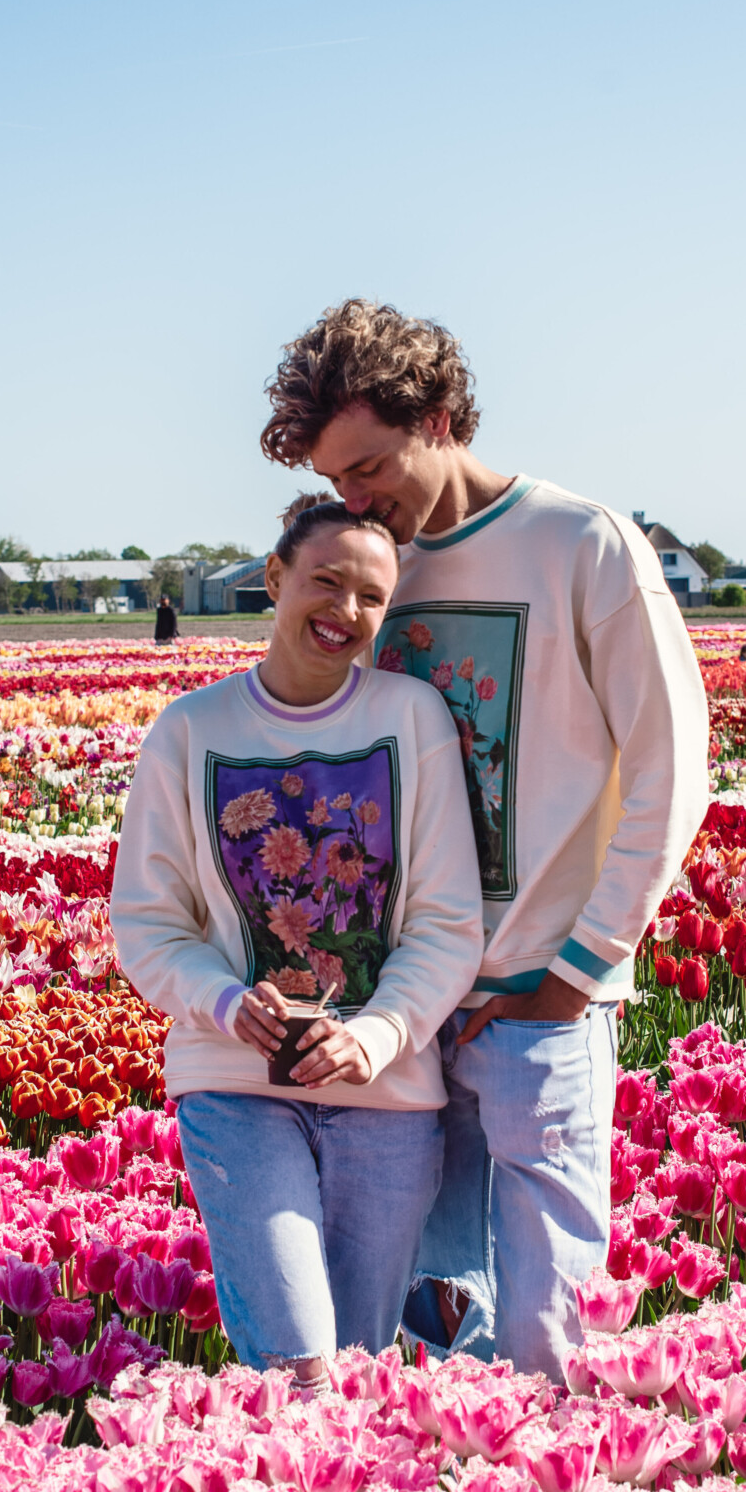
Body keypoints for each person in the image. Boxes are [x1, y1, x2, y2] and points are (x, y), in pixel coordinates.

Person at [261, 299, 710, 1383]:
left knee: (545, 1333)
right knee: (426, 1317)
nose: (356, 502)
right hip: (405, 1005)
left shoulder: (579, 544)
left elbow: (673, 766)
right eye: (335, 484)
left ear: (444, 416)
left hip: (534, 998)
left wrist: (580, 969)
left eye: (369, 468)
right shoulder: (375, 569)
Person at [111, 495, 482, 1393]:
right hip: (235, 1082)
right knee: (301, 1368)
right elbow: (149, 923)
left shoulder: (411, 717)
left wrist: (375, 1034)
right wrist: (230, 1003)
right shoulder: (190, 732)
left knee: (354, 1373)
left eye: (371, 596)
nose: (345, 611)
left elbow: (446, 922)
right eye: (326, 581)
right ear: (273, 578)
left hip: (386, 1091)